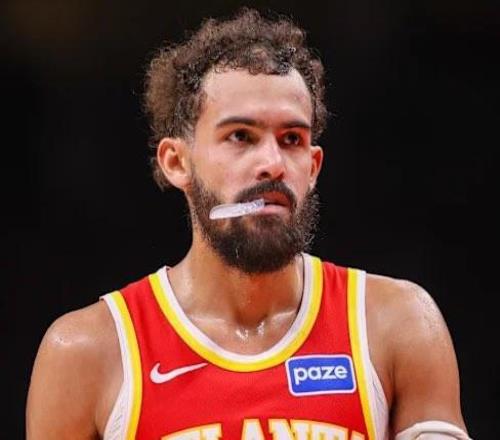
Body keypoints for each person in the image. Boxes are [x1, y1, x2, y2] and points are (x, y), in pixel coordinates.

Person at [26, 8, 470, 440]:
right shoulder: (87, 351)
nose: (273, 164)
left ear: (313, 168)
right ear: (177, 162)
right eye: (241, 136)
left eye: (292, 139)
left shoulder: (397, 323)